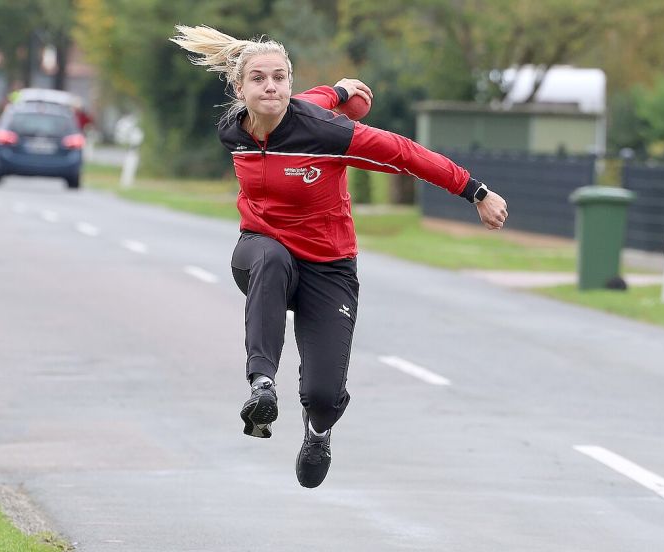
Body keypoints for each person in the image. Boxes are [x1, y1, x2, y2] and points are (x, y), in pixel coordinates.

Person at [171, 25, 508, 488]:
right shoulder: (234, 130)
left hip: (328, 266)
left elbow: (404, 153)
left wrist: (476, 191)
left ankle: (318, 432)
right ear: (239, 87)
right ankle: (261, 384)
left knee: (324, 392)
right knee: (270, 257)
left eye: (280, 78)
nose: (270, 87)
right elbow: (312, 99)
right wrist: (339, 89)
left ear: (290, 83)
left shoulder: (326, 131)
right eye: (259, 79)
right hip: (261, 251)